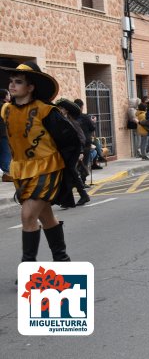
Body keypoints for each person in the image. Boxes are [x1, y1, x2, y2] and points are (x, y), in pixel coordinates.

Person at [0, 61, 76, 272]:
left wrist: (70, 169)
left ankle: (28, 268)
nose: (12, 86)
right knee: (45, 216)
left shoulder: (46, 111)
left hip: (47, 168)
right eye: (11, 82)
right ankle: (62, 260)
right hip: (20, 170)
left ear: (30, 87)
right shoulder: (6, 110)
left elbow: (71, 140)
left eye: (18, 82)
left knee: (27, 216)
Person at [55, 99, 90, 206]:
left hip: (72, 151)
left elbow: (81, 137)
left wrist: (80, 151)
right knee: (67, 174)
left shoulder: (72, 122)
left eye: (61, 108)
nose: (59, 110)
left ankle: (83, 195)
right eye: (59, 108)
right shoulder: (59, 121)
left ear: (66, 110)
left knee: (71, 171)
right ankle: (69, 199)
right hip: (63, 151)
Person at [0, 88, 12, 182]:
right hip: (4, 133)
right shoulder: (6, 107)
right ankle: (6, 174)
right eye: (8, 94)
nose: (10, 96)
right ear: (4, 97)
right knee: (5, 153)